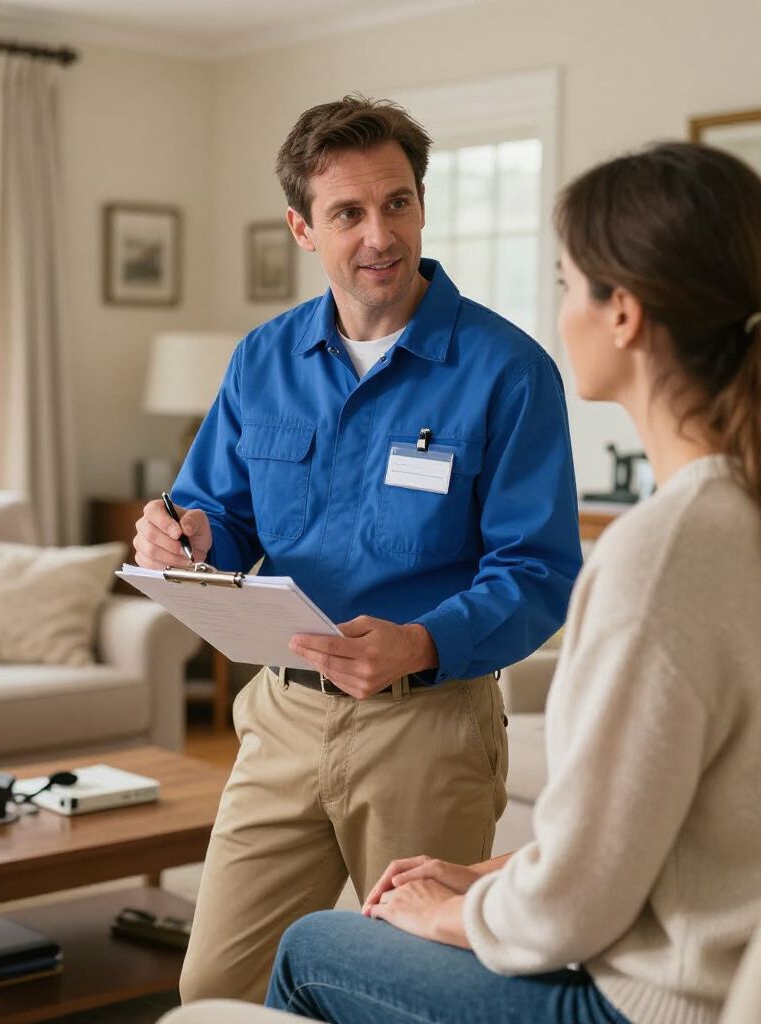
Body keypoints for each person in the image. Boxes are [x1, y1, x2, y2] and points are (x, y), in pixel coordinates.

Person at [249, 141, 761, 1024]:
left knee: (310, 949)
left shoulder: (658, 554)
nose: (559, 310)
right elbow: (648, 834)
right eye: (347, 213)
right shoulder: (731, 514)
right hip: (676, 937)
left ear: (624, 315)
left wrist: (453, 910)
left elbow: (575, 903)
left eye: (566, 284)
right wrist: (490, 874)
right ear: (306, 228)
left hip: (650, 994)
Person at [133, 95, 582, 1003]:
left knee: (422, 997)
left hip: (428, 727)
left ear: (421, 203)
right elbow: (216, 513)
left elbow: (540, 575)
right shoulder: (261, 361)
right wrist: (180, 535)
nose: (381, 234)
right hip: (282, 720)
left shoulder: (509, 370)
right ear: (303, 227)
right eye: (348, 213)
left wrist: (418, 642)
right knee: (214, 989)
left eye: (398, 203)